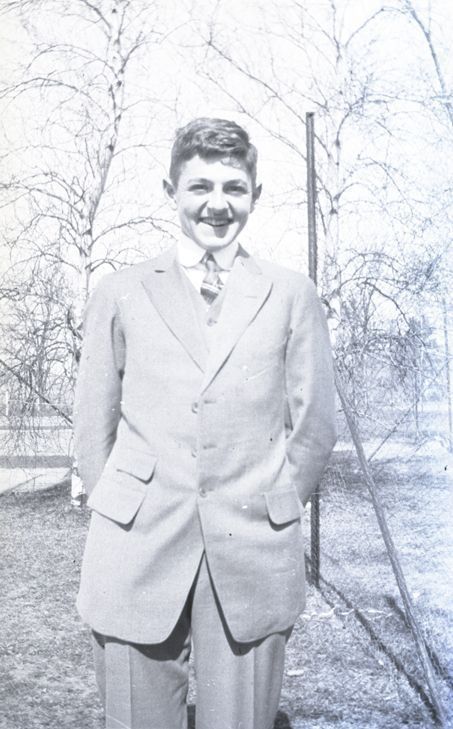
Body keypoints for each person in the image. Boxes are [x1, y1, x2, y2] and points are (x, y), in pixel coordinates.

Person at [74, 117, 337, 729]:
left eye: (233, 188)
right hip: (136, 549)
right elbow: (93, 426)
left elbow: (314, 427)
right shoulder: (121, 291)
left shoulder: (290, 293)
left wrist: (268, 505)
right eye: (200, 187)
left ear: (255, 195)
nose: (217, 204)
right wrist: (124, 507)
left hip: (251, 553)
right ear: (171, 191)